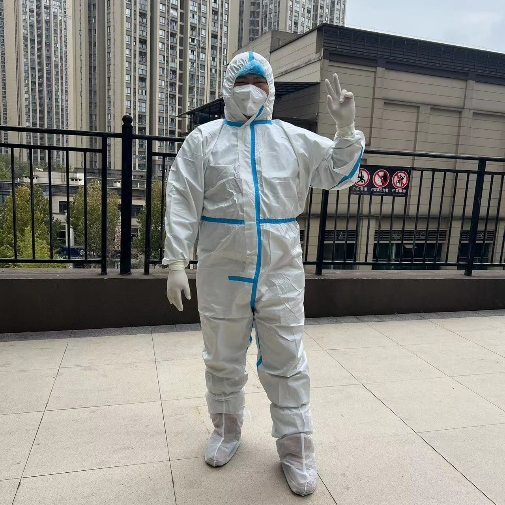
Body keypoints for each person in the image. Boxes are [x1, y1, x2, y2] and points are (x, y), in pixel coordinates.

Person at [163, 51, 365, 496]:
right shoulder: (204, 140)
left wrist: (346, 129)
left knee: (287, 360)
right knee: (221, 356)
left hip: (280, 269)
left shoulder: (291, 138)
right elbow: (181, 199)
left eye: (260, 82)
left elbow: (338, 170)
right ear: (228, 86)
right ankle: (226, 430)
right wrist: (176, 261)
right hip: (221, 269)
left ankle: (297, 451)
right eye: (244, 81)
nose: (252, 90)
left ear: (270, 90)